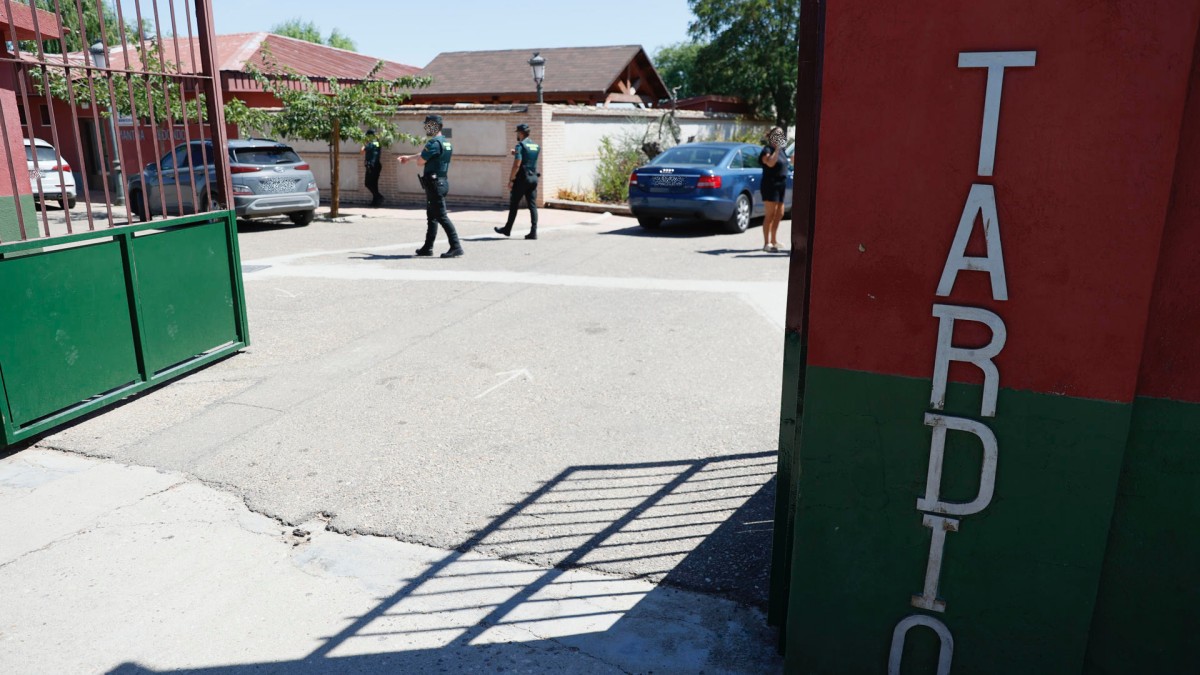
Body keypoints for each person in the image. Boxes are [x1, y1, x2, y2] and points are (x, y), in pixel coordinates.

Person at [398, 115, 463, 258]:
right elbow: (425, 155)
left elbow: (421, 161)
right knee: (432, 216)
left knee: (441, 216)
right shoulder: (445, 142)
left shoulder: (432, 143)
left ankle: (456, 246)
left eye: (427, 125)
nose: (425, 128)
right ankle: (427, 247)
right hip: (441, 182)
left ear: (434, 126)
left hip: (434, 185)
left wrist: (417, 161)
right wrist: (409, 158)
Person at [494, 123, 540, 240]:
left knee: (514, 204)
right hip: (533, 177)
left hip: (522, 179)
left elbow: (517, 165)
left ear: (520, 133)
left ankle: (507, 229)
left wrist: (511, 180)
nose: (517, 135)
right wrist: (517, 153)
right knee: (532, 206)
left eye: (518, 133)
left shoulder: (520, 146)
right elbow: (529, 158)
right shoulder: (536, 146)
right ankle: (533, 232)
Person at [759, 127, 789, 253]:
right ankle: (767, 243)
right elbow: (770, 163)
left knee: (780, 213)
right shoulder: (767, 149)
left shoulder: (783, 151)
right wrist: (776, 149)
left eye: (781, 135)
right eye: (777, 135)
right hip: (770, 185)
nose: (779, 137)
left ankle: (774, 240)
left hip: (781, 185)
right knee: (770, 214)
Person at [362, 129, 383, 207]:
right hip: (377, 165)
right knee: (374, 184)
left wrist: (364, 144)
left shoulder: (371, 144)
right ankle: (375, 201)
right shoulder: (377, 143)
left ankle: (379, 196)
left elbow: (361, 151)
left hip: (371, 166)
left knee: (367, 183)